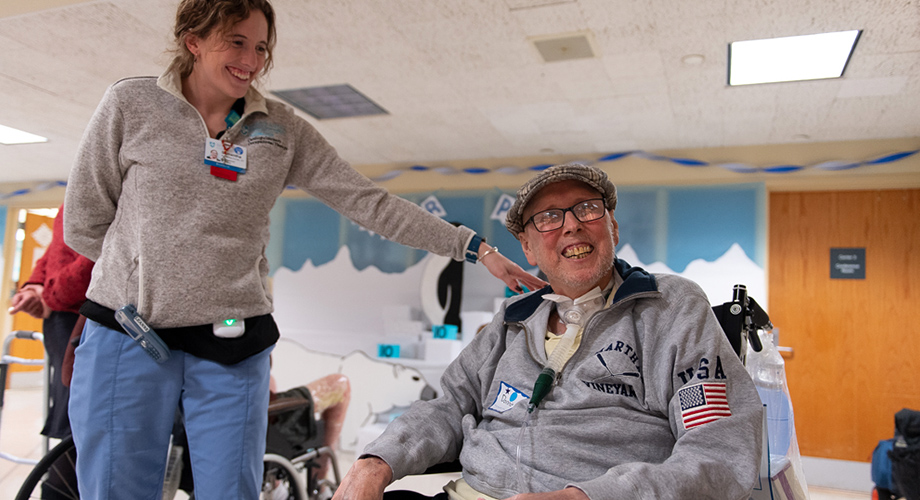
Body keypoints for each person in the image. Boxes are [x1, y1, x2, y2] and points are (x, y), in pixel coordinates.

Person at [61, 0, 545, 498]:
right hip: (129, 333)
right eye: (237, 41)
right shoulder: (131, 104)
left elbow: (368, 202)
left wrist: (475, 247)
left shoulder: (281, 130)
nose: (251, 59)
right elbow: (83, 222)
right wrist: (152, 273)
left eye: (261, 47)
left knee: (232, 491)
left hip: (232, 339)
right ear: (194, 40)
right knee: (114, 489)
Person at [334, 163, 765, 500]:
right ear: (527, 248)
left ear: (612, 226)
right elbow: (447, 406)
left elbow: (720, 453)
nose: (572, 224)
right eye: (549, 218)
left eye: (588, 208)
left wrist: (584, 496)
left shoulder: (670, 307)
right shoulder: (510, 321)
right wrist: (374, 462)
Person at [9, 204, 93, 441]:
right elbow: (55, 250)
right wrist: (35, 286)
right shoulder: (72, 197)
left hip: (85, 313)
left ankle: (59, 478)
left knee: (79, 412)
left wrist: (48, 296)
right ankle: (58, 477)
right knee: (66, 404)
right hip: (61, 314)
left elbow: (96, 255)